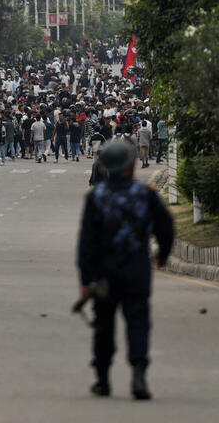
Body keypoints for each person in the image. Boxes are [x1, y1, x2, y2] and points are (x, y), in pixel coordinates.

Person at [76, 140, 174, 400]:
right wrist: (162, 255)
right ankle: (139, 374)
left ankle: (103, 379)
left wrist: (85, 280)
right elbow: (166, 226)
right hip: (137, 268)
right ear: (130, 165)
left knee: (103, 325)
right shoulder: (145, 193)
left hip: (104, 272)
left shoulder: (96, 197)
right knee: (138, 322)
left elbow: (86, 242)